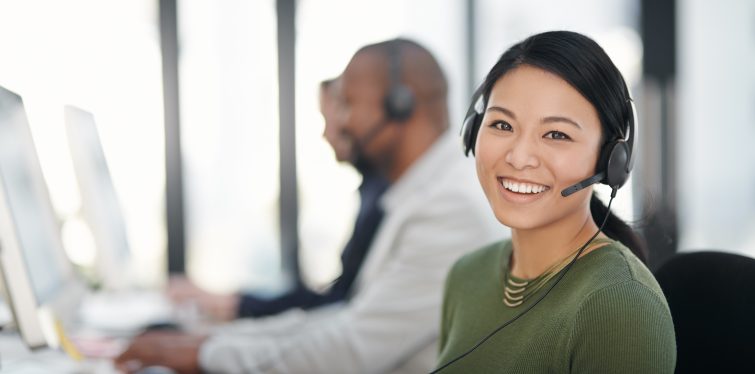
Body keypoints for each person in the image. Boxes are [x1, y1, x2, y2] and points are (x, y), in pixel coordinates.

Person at [115, 38, 504, 373]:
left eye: (349, 104)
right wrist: (215, 340)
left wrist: (205, 353)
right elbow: (345, 318)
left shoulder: (450, 208)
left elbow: (351, 347)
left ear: (400, 105)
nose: (342, 124)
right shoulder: (420, 195)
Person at [435, 31, 676, 373]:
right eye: (502, 124)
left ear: (611, 159)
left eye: (557, 134)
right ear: (473, 131)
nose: (519, 157)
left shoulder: (619, 303)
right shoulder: (466, 276)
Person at [167, 77, 389, 321]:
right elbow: (336, 298)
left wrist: (230, 311)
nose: (326, 134)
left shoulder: (386, 198)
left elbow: (338, 305)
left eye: (333, 117)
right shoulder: (372, 191)